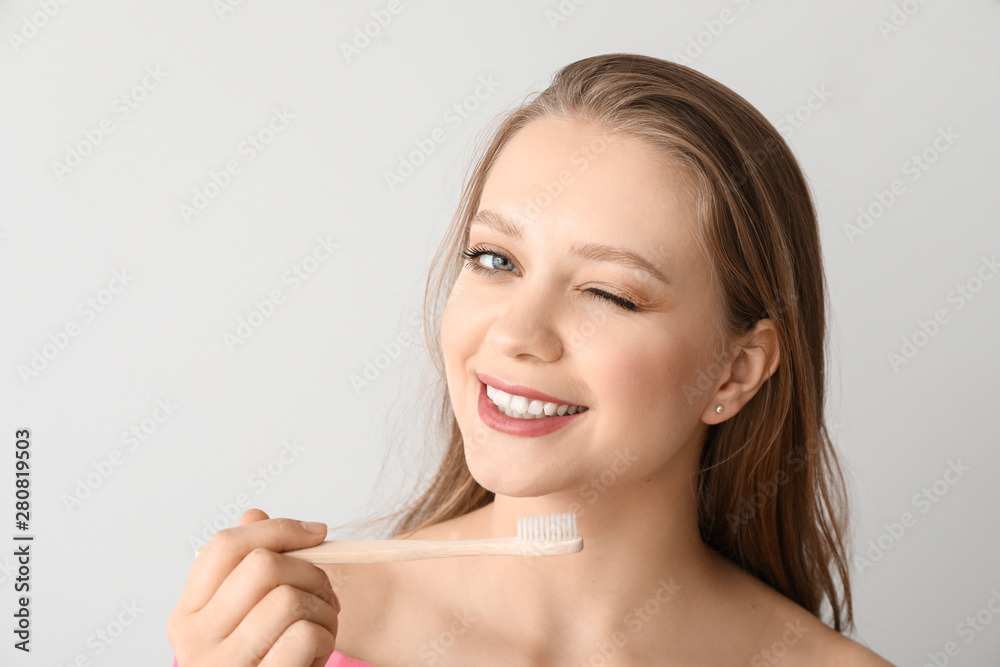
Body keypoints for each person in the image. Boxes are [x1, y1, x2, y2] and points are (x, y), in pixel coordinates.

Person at [167, 53, 895, 666]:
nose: (517, 330)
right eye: (495, 259)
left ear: (735, 373)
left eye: (607, 292)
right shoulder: (287, 633)